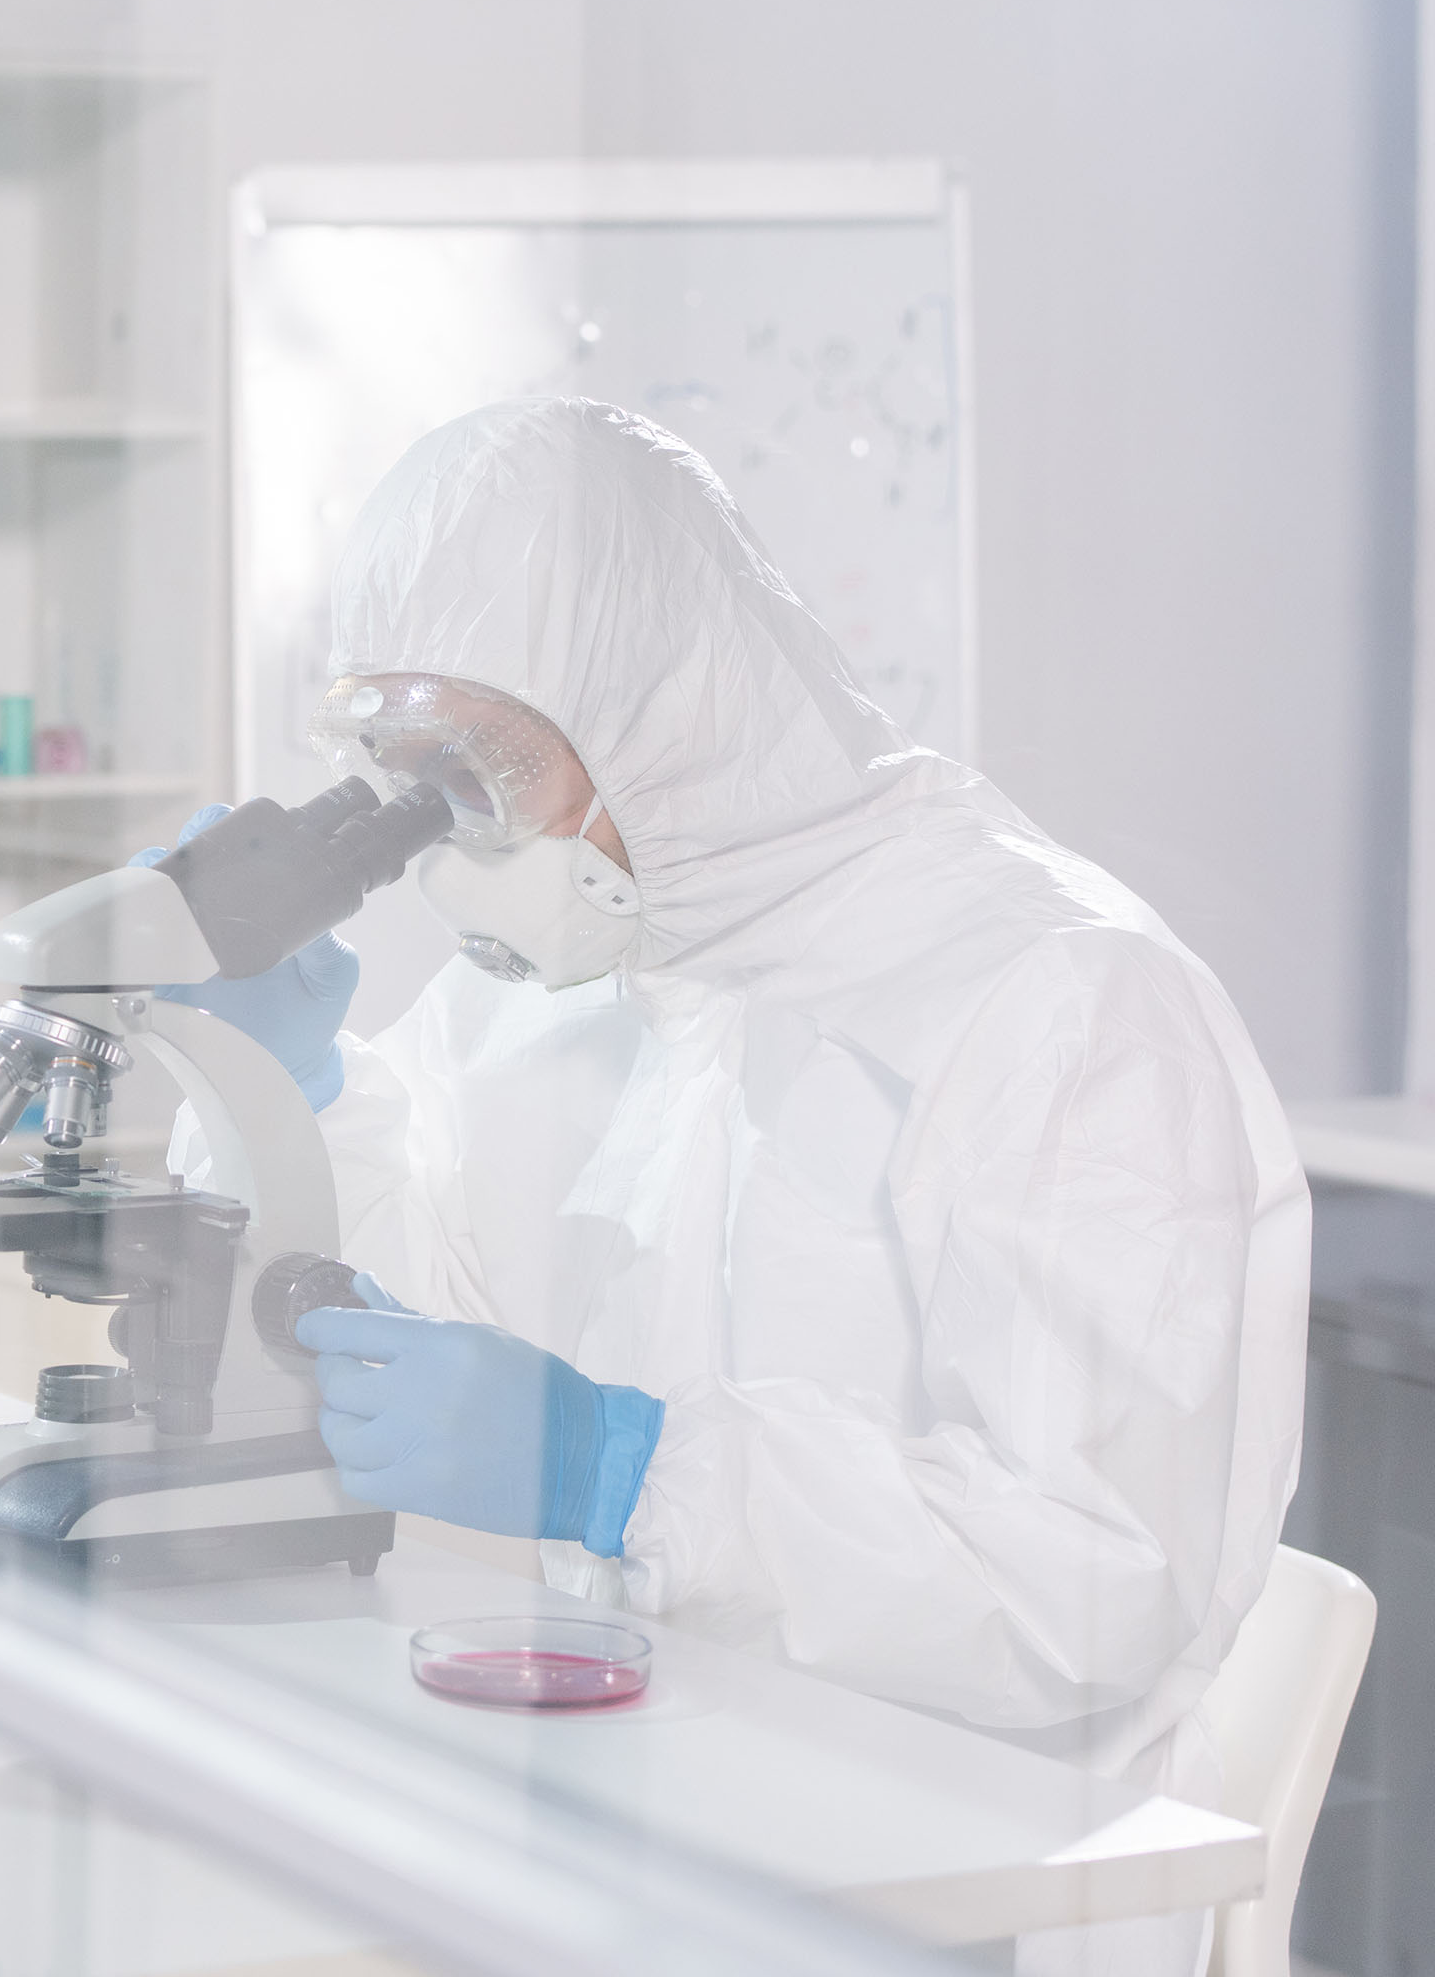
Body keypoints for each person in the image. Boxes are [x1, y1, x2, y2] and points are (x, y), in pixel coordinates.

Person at [160, 396, 1306, 1977]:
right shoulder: (582, 971)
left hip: (950, 1902)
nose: (449, 847)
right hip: (635, 1828)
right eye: (407, 781)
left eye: (478, 775)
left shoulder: (1057, 1000)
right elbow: (415, 1329)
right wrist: (289, 1099)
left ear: (663, 711)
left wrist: (638, 1475)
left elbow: (1096, 1587)